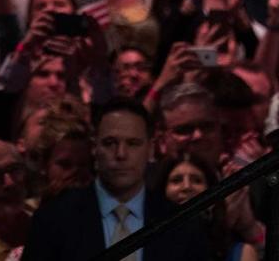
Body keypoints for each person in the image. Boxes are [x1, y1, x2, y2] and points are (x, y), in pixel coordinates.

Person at [23, 98, 208, 259]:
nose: (121, 154)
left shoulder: (181, 224)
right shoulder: (53, 219)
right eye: (110, 143)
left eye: (133, 144)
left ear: (151, 149)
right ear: (95, 148)